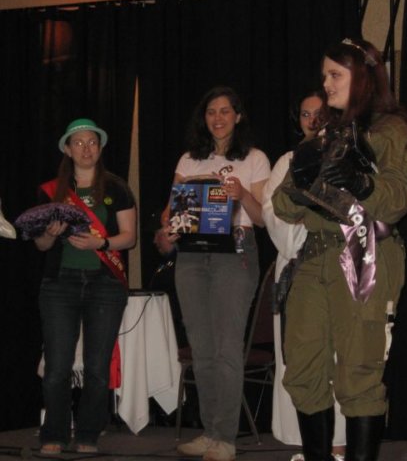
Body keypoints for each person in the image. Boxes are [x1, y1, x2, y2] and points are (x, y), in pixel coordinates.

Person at [272, 39, 407, 461]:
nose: (326, 83)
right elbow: (283, 204)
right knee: (302, 368)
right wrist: (305, 187)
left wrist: (361, 183)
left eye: (335, 74)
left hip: (365, 252)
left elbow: (397, 200)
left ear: (364, 77)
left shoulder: (393, 131)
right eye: (325, 74)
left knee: (358, 371)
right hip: (314, 256)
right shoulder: (326, 134)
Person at [159, 86, 270, 461]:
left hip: (235, 252)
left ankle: (225, 438)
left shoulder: (255, 158)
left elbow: (262, 219)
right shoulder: (189, 160)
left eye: (225, 111)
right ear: (203, 118)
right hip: (192, 255)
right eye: (211, 112)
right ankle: (209, 432)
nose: (218, 118)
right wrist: (169, 228)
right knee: (202, 350)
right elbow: (170, 212)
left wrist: (242, 195)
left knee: (226, 349)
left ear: (238, 116)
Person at [34, 118, 137, 454]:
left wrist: (100, 244)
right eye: (78, 143)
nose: (86, 148)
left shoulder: (117, 187)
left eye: (92, 142)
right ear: (67, 149)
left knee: (96, 367)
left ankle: (89, 434)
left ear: (100, 147)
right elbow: (41, 246)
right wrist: (49, 233)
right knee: (57, 367)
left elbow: (129, 238)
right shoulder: (52, 191)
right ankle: (54, 433)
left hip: (105, 285)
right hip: (59, 285)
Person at [262, 90, 346, 461]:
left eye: (319, 113)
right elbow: (274, 212)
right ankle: (309, 446)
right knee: (299, 359)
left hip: (339, 266)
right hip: (296, 266)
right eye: (305, 114)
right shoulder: (287, 161)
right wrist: (304, 238)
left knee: (339, 357)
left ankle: (340, 444)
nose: (312, 121)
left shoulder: (345, 156)